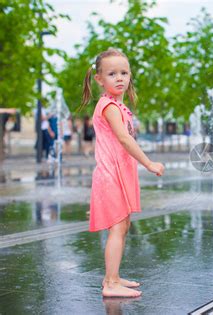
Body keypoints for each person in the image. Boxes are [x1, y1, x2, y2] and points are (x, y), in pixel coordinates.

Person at [80, 48, 165, 298]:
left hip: (120, 174)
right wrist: (149, 164)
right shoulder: (109, 106)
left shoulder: (118, 105)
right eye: (112, 73)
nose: (120, 78)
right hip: (110, 176)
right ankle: (110, 284)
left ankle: (113, 277)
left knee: (123, 225)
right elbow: (125, 140)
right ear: (99, 79)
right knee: (117, 228)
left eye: (124, 73)